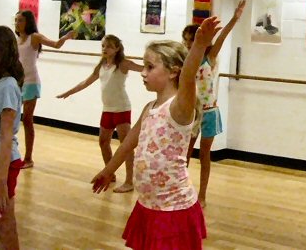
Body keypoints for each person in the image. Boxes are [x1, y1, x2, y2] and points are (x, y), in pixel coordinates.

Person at [91, 16, 221, 250]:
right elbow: (127, 144)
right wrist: (108, 171)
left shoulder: (180, 107)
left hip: (174, 208)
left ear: (173, 72)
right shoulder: (149, 108)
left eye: (150, 67)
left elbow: (188, 76)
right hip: (148, 205)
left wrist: (200, 45)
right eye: (144, 66)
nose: (143, 73)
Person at [57, 35, 144, 193]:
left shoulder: (123, 64)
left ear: (117, 48)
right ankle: (109, 173)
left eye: (109, 46)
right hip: (107, 109)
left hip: (122, 109)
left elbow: (143, 68)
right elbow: (86, 82)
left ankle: (129, 181)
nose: (105, 49)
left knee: (126, 145)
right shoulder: (101, 66)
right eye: (103, 46)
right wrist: (69, 92)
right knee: (103, 142)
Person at [182, 0, 246, 207]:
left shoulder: (209, 57)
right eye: (186, 40)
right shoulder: (184, 61)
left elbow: (222, 37)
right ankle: (181, 190)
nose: (188, 44)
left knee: (204, 155)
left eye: (192, 39)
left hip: (208, 112)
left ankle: (202, 195)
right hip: (191, 113)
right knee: (184, 153)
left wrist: (234, 19)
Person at [14, 10, 75, 169]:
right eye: (16, 20)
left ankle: (28, 158)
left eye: (20, 20)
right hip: (17, 83)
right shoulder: (16, 39)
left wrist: (65, 37)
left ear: (28, 22)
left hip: (31, 83)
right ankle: (11, 153)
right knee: (12, 117)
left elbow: (55, 45)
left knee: (27, 120)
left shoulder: (35, 37)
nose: (17, 23)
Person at [0, 26, 25, 250]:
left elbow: (6, 136)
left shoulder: (7, 86)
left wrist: (0, 182)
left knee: (4, 223)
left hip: (2, 164)